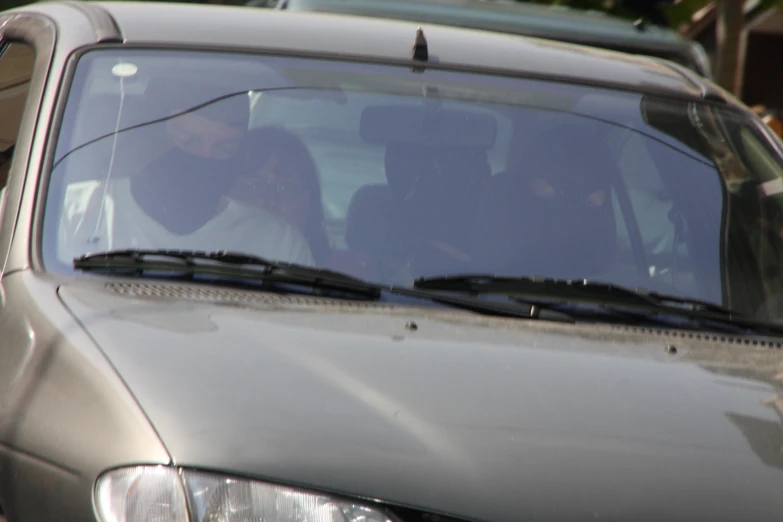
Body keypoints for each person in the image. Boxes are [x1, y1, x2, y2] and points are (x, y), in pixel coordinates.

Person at [66, 78, 314, 266]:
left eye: (224, 148)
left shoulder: (276, 243)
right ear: (155, 137)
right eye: (188, 141)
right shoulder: (77, 213)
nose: (204, 158)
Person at [228, 126, 331, 264]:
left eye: (287, 187)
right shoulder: (199, 261)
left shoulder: (343, 278)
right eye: (254, 185)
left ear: (311, 204)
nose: (270, 201)